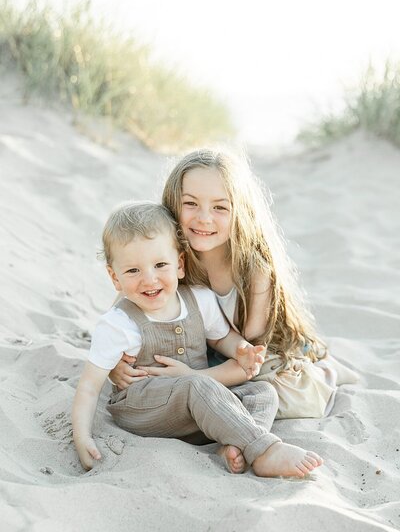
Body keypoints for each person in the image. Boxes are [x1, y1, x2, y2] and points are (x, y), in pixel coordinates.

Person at [72, 200, 323, 478]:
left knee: (261, 392)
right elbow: (88, 387)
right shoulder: (119, 323)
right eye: (133, 271)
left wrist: (240, 350)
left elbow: (222, 338)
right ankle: (263, 451)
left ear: (179, 265)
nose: (149, 279)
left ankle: (234, 444)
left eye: (160, 265)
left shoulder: (199, 299)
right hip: (144, 409)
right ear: (114, 277)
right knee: (196, 384)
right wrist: (82, 437)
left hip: (197, 409)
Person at [110, 148, 358, 419]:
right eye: (190, 203)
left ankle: (327, 370)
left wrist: (196, 376)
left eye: (220, 207)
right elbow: (123, 312)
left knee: (288, 398)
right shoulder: (164, 258)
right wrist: (116, 366)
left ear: (239, 211)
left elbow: (251, 351)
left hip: (250, 352)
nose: (204, 218)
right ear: (172, 204)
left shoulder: (254, 267)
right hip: (191, 350)